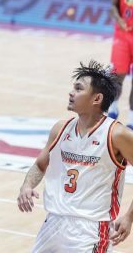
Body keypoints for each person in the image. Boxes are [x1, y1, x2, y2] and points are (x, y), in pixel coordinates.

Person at [18, 61, 133, 252]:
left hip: (91, 230)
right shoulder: (60, 129)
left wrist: (129, 216)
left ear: (96, 99)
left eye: (78, 89)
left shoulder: (116, 134)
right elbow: (40, 165)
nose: (71, 92)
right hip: (53, 223)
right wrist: (27, 185)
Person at [107, 0, 133, 129]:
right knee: (117, 77)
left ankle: (131, 121)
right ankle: (113, 106)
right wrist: (119, 19)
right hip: (122, 36)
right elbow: (112, 7)